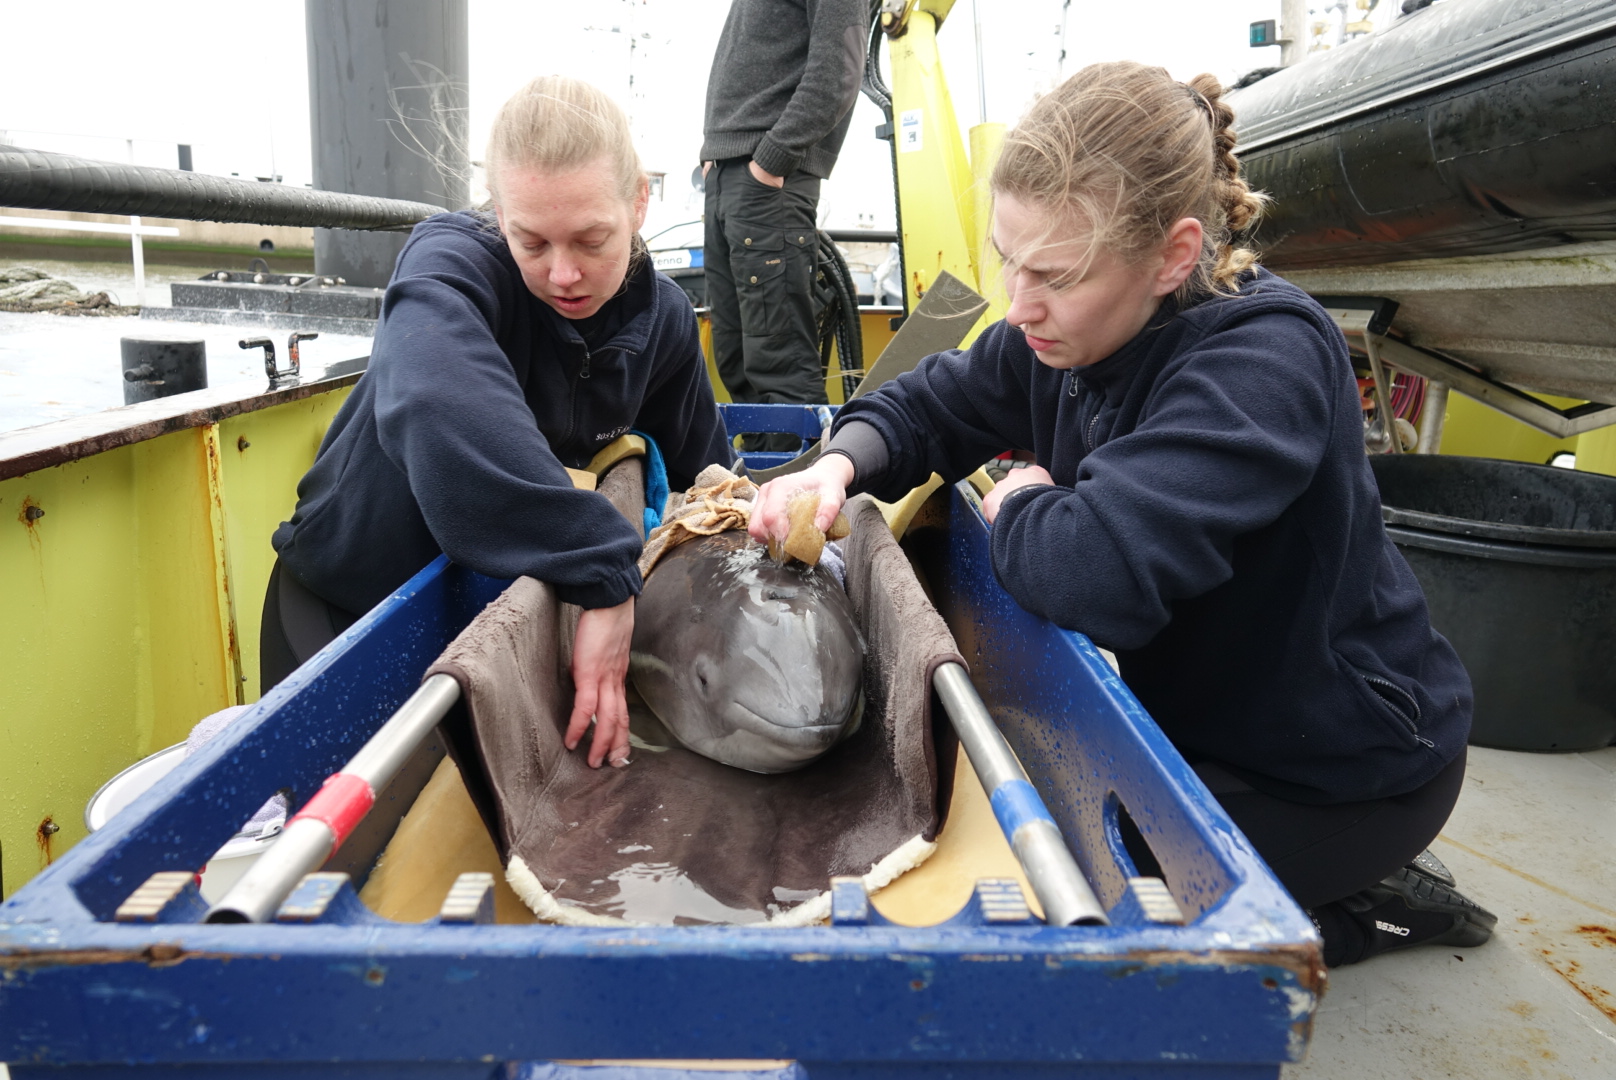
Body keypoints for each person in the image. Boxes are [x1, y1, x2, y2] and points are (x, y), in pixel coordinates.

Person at [749, 62, 1495, 967]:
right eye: (1007, 260)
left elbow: (1092, 571)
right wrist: (835, 465)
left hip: (1340, 767)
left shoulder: (1266, 362)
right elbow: (930, 405)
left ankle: (1368, 908)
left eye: (1056, 274)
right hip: (1202, 721)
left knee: (1106, 919)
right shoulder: (1063, 333)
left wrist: (1022, 498)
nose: (1020, 305)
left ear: (1174, 256)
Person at [264, 76, 733, 770]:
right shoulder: (448, 264)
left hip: (489, 618)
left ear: (638, 201)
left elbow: (707, 481)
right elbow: (437, 403)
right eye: (532, 241)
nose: (564, 273)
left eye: (591, 239)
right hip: (344, 613)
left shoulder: (660, 320)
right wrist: (602, 567)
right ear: (496, 212)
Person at [700, 0, 869, 448]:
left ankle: (799, 505)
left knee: (779, 364)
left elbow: (839, 69)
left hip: (766, 179)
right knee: (736, 359)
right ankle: (756, 498)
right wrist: (714, 158)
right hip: (731, 173)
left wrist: (772, 157)